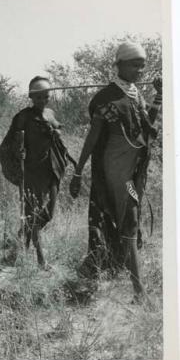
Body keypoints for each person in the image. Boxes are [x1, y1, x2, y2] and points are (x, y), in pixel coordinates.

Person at [69, 42, 162, 302]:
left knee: (128, 220)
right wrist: (78, 172)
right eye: (135, 64)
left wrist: (159, 97)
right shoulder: (105, 98)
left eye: (142, 66)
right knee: (130, 219)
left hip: (133, 169)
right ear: (119, 64)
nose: (140, 70)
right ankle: (139, 292)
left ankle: (108, 273)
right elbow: (92, 138)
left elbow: (147, 129)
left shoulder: (136, 95)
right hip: (115, 171)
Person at [0, 76, 73, 269]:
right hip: (32, 172)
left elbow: (56, 128)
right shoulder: (23, 117)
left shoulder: (50, 112)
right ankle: (40, 259)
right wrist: (18, 151)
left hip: (53, 169)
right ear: (31, 97)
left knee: (48, 214)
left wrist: (57, 132)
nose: (42, 100)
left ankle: (21, 238)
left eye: (45, 96)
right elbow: (10, 144)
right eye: (38, 97)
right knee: (33, 214)